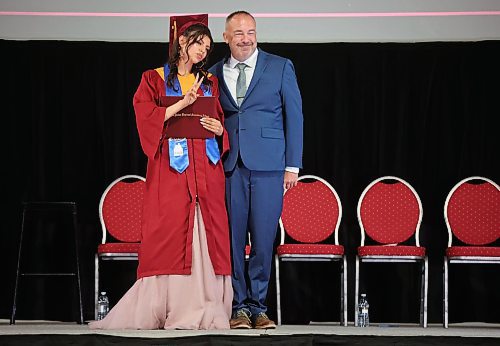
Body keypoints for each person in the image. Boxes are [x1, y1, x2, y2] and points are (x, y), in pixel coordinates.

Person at [90, 14, 233, 330]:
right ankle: (170, 306)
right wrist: (183, 103)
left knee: (208, 231)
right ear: (182, 41)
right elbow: (146, 118)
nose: (203, 52)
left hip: (206, 170)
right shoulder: (153, 78)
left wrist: (220, 128)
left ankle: (207, 305)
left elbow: (219, 122)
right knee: (169, 230)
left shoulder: (209, 81)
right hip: (172, 168)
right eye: (199, 44)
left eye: (208, 48)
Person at [209, 11, 303, 329]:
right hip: (229, 167)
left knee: (263, 241)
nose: (246, 38)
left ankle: (259, 306)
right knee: (233, 241)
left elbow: (295, 117)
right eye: (238, 33)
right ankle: (238, 307)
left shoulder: (280, 66)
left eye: (250, 32)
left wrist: (292, 165)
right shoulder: (212, 73)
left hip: (269, 167)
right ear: (226, 37)